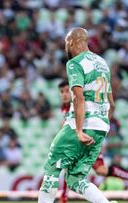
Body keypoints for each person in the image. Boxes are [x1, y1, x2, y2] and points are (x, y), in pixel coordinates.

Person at [38, 27, 115, 203]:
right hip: (101, 127)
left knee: (52, 168)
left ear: (70, 42)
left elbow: (78, 98)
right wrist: (101, 126)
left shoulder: (75, 63)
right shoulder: (103, 63)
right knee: (75, 180)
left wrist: (79, 130)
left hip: (80, 125)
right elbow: (112, 103)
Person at [57, 80, 128, 203]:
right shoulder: (65, 108)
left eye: (67, 91)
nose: (64, 94)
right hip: (83, 142)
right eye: (61, 92)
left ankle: (64, 198)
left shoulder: (80, 103)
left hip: (88, 141)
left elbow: (109, 108)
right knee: (101, 170)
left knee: (70, 165)